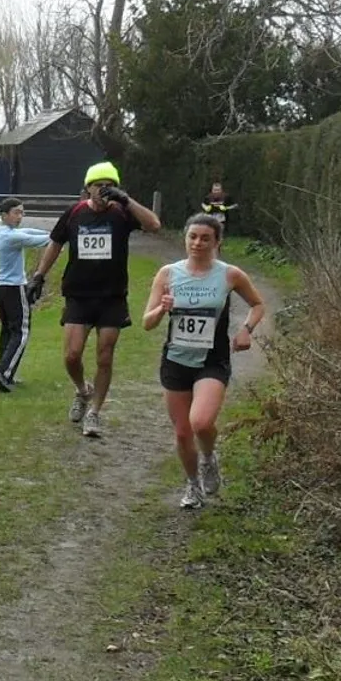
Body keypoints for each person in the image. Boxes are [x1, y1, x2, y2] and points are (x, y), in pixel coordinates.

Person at [30, 161, 162, 439]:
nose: (103, 190)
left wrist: (126, 200)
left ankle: (95, 414)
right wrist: (39, 276)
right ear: (87, 188)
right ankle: (82, 391)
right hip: (79, 294)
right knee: (72, 355)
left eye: (109, 185)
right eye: (98, 185)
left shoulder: (123, 214)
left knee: (104, 356)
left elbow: (154, 225)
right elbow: (55, 243)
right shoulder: (74, 213)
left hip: (112, 297)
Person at [143, 215, 266, 508]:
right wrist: (162, 308)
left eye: (205, 238)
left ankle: (209, 457)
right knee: (183, 432)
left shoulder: (229, 274)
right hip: (176, 359)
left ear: (217, 242)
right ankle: (193, 485)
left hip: (212, 359)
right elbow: (147, 323)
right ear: (185, 239)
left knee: (200, 422)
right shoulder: (168, 274)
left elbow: (258, 305)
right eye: (192, 237)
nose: (197, 243)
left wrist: (246, 330)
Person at [0, 196, 53, 392]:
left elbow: (27, 231)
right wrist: (59, 236)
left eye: (22, 212)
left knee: (8, 330)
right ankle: (4, 373)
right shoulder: (11, 237)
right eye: (16, 213)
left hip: (1, 289)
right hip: (14, 289)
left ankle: (3, 370)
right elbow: (38, 241)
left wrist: (51, 232)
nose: (20, 216)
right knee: (21, 331)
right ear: (4, 215)